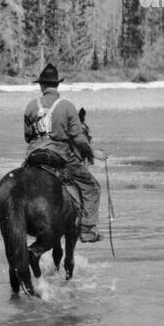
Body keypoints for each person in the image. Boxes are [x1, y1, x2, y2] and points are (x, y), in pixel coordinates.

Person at [23, 63, 101, 243]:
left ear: (41, 86)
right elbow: (78, 138)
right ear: (57, 85)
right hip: (59, 156)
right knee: (92, 187)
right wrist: (93, 152)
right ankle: (87, 229)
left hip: (33, 156)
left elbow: (27, 137)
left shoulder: (30, 106)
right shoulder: (67, 106)